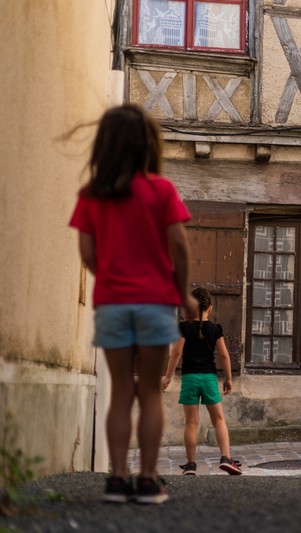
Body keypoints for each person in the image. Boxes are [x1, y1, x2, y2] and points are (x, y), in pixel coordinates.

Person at [68, 104, 197, 504]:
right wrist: (182, 293)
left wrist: (111, 278)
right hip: (155, 302)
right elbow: (179, 246)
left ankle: (117, 479)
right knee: (150, 394)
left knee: (121, 391)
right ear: (147, 146)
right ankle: (147, 481)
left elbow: (86, 253)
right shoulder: (161, 190)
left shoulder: (92, 194)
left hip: (112, 304)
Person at [162, 286, 242, 476]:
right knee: (219, 419)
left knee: (191, 422)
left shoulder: (183, 327)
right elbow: (224, 354)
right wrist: (228, 378)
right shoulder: (215, 329)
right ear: (210, 309)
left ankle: (191, 465)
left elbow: (176, 352)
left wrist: (168, 376)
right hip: (209, 379)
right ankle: (226, 458)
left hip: (190, 379)